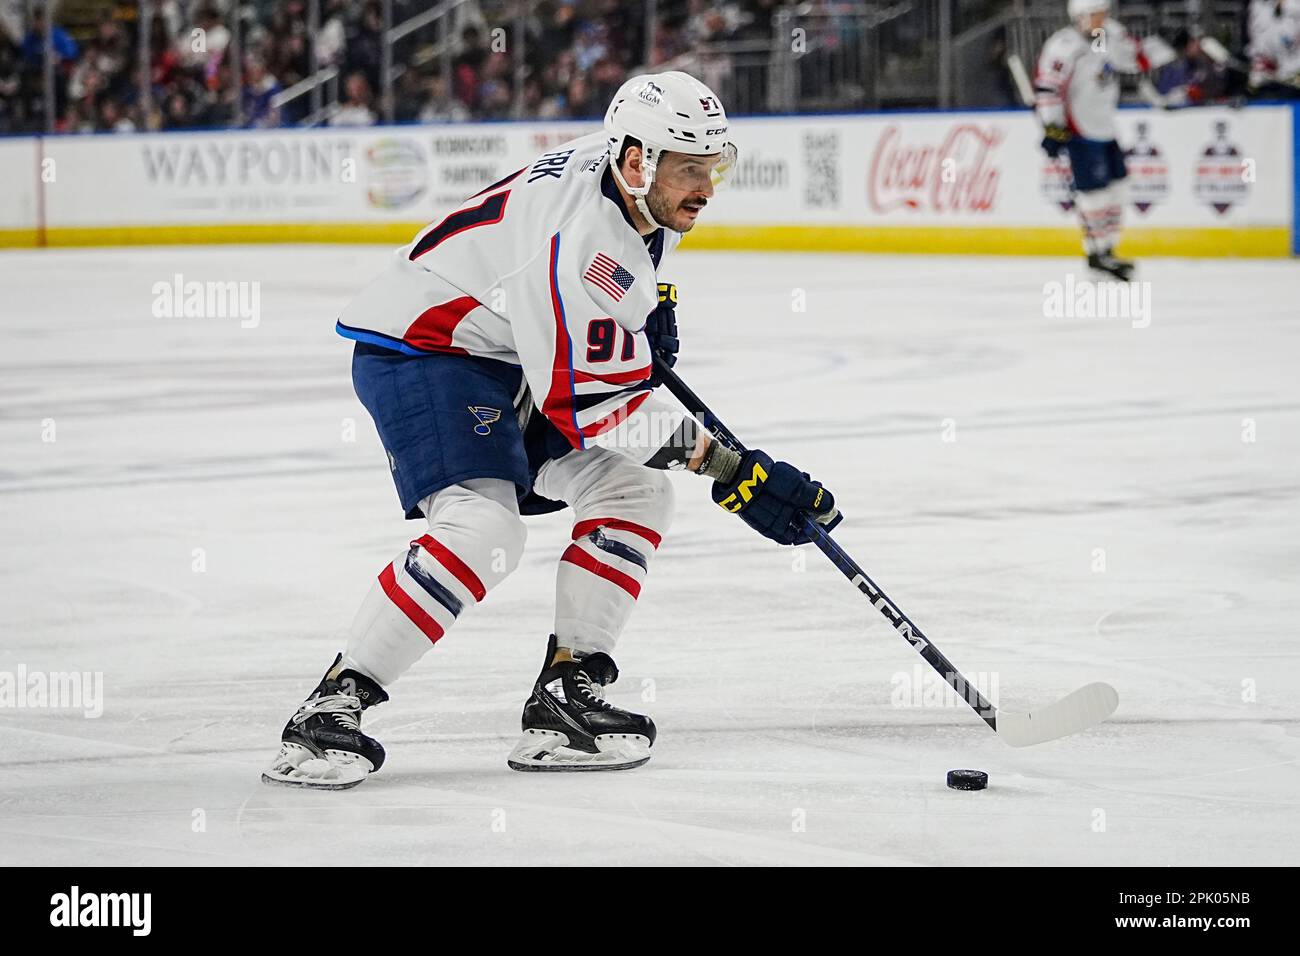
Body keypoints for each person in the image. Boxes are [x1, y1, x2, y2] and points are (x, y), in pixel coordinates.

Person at [263, 71, 841, 788]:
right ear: (637, 162)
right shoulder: (580, 243)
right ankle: (330, 708)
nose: (707, 187)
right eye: (691, 170)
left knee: (637, 494)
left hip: (508, 353)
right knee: (484, 528)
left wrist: (642, 316)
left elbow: (608, 331)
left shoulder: (633, 181)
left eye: (712, 167)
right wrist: (733, 471)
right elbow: (598, 409)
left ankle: (566, 694)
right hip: (427, 349)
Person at [1035, 0, 1160, 281]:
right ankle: (1096, 253)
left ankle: (1108, 250)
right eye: (1095, 15)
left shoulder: (1108, 35)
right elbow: (1048, 89)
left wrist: (1165, 48)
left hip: (1105, 127)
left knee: (1120, 188)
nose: (1101, 19)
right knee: (1094, 194)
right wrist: (1052, 128)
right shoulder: (1064, 46)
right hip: (1080, 131)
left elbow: (1132, 59)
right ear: (1079, 17)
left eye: (1104, 13)